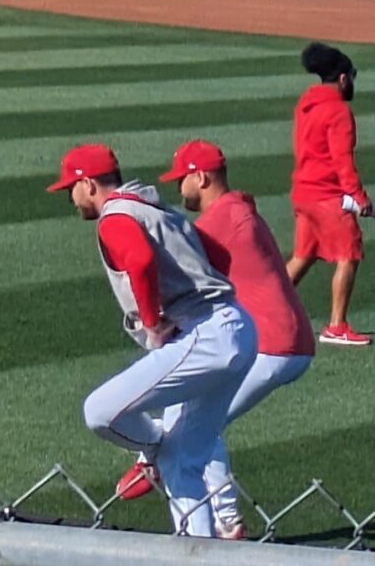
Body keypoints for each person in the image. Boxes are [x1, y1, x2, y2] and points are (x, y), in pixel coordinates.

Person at [56, 142, 256, 538]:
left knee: (99, 411)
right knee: (183, 464)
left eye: (71, 188)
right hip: (237, 329)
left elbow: (141, 260)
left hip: (205, 333)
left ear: (89, 185)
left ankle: (151, 447)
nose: (70, 197)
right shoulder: (155, 207)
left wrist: (152, 323)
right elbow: (213, 256)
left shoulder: (114, 216)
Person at [113, 139, 317, 511]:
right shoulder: (237, 210)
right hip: (286, 340)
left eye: (183, 180)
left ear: (201, 177)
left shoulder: (218, 221)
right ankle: (219, 515)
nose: (179, 188)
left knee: (195, 425)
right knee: (200, 420)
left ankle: (181, 488)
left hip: (272, 344)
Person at [285, 41, 375, 346]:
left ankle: (265, 311)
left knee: (303, 256)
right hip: (327, 196)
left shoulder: (305, 104)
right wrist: (359, 197)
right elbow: (343, 162)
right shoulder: (338, 111)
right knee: (349, 254)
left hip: (303, 193)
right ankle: (336, 326)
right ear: (342, 78)